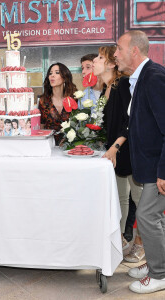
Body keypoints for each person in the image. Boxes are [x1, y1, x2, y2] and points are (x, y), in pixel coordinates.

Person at [114, 30, 165, 294]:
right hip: (149, 167)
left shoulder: (154, 77)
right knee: (155, 218)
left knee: (146, 216)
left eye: (118, 49)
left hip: (160, 167)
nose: (114, 54)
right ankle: (159, 262)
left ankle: (160, 274)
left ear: (134, 51)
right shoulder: (140, 78)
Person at [93, 45, 143, 256]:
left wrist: (115, 146)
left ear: (112, 63)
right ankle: (121, 240)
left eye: (98, 57)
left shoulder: (122, 85)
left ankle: (141, 243)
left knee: (140, 199)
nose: (94, 61)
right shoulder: (105, 89)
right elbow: (104, 122)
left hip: (129, 149)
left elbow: (129, 120)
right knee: (121, 198)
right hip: (115, 152)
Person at [39, 63, 77, 145]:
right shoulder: (43, 101)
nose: (52, 75)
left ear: (65, 77)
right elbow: (41, 127)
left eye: (57, 72)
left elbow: (78, 125)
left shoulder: (73, 99)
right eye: (50, 73)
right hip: (49, 146)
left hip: (70, 146)